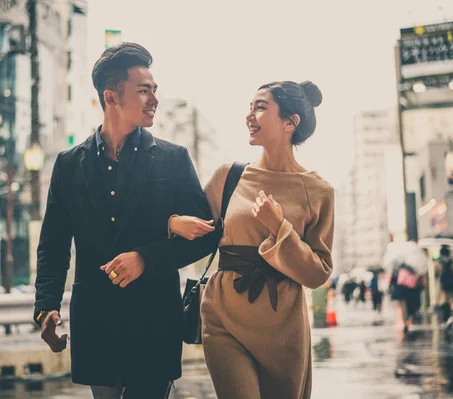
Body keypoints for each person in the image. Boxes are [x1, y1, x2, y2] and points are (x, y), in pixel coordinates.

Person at [33, 42, 216, 399]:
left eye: (155, 90)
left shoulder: (173, 159)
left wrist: (146, 257)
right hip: (95, 319)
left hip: (154, 321)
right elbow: (53, 244)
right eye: (143, 91)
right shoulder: (69, 164)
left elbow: (208, 236)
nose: (154, 99)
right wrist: (46, 308)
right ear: (111, 97)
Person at [169, 81, 334, 398]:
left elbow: (319, 272)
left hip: (284, 323)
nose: (249, 115)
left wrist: (280, 228)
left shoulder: (319, 190)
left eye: (260, 107)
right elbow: (192, 235)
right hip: (223, 316)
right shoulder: (228, 176)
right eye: (250, 107)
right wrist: (172, 221)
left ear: (290, 122)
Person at [436, 245, 453, 329]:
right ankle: (449, 318)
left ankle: (446, 319)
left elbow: (436, 273)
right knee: (450, 302)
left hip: (442, 286)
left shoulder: (438, 262)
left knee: (443, 303)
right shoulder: (452, 262)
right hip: (451, 285)